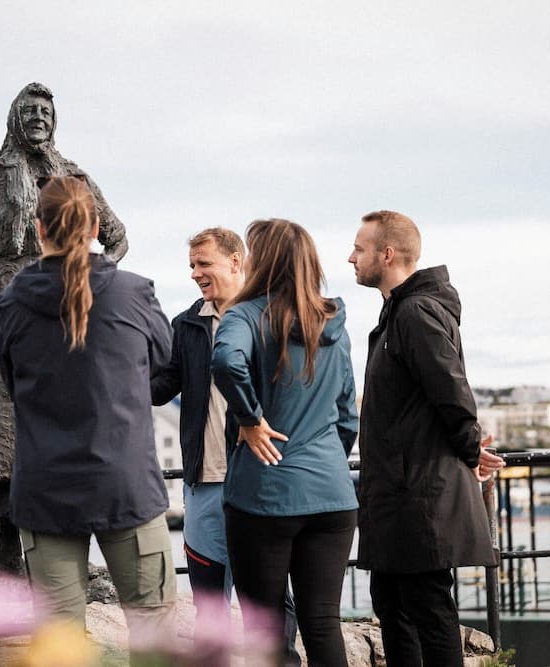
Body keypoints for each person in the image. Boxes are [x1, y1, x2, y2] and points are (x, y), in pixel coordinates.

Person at [0, 82, 128, 573]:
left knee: (57, 418)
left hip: (63, 304)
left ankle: (61, 550)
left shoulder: (73, 176)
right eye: (30, 110)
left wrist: (92, 277)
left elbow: (117, 237)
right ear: (14, 118)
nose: (39, 118)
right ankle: (8, 548)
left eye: (46, 111)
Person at [0, 175, 176, 652]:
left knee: (59, 645)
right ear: (95, 226)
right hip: (125, 481)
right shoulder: (132, 293)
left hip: (45, 486)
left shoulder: (12, 302)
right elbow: (161, 360)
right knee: (154, 637)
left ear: (38, 228)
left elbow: (12, 384)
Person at [348, 210, 505, 666]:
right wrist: (469, 449)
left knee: (428, 610)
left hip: (417, 495)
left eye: (359, 248)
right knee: (394, 605)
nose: (351, 257)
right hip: (401, 492)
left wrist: (470, 449)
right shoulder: (400, 310)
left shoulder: (415, 312)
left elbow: (452, 391)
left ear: (387, 254)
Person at [211, 218, 359, 666]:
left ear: (263, 261)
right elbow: (347, 415)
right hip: (332, 496)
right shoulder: (332, 324)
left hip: (264, 496)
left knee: (266, 629)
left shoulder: (245, 315)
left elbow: (226, 359)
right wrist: (324, 461)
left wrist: (250, 418)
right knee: (323, 623)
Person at [150, 227, 299, 655]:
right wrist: (118, 371)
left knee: (269, 602)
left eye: (204, 263)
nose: (195, 273)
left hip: (261, 479)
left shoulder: (271, 318)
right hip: (204, 484)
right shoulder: (187, 325)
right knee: (209, 605)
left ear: (236, 261)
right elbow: (161, 387)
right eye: (192, 265)